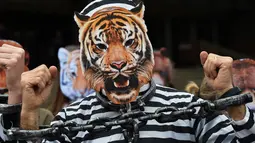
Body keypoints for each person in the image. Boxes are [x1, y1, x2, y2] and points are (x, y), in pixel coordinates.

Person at [4, 0, 255, 142]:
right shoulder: (72, 119)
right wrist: (28, 112)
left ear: (145, 45)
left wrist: (230, 95)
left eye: (130, 42)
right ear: (86, 54)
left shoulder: (189, 108)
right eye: (101, 46)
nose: (117, 60)